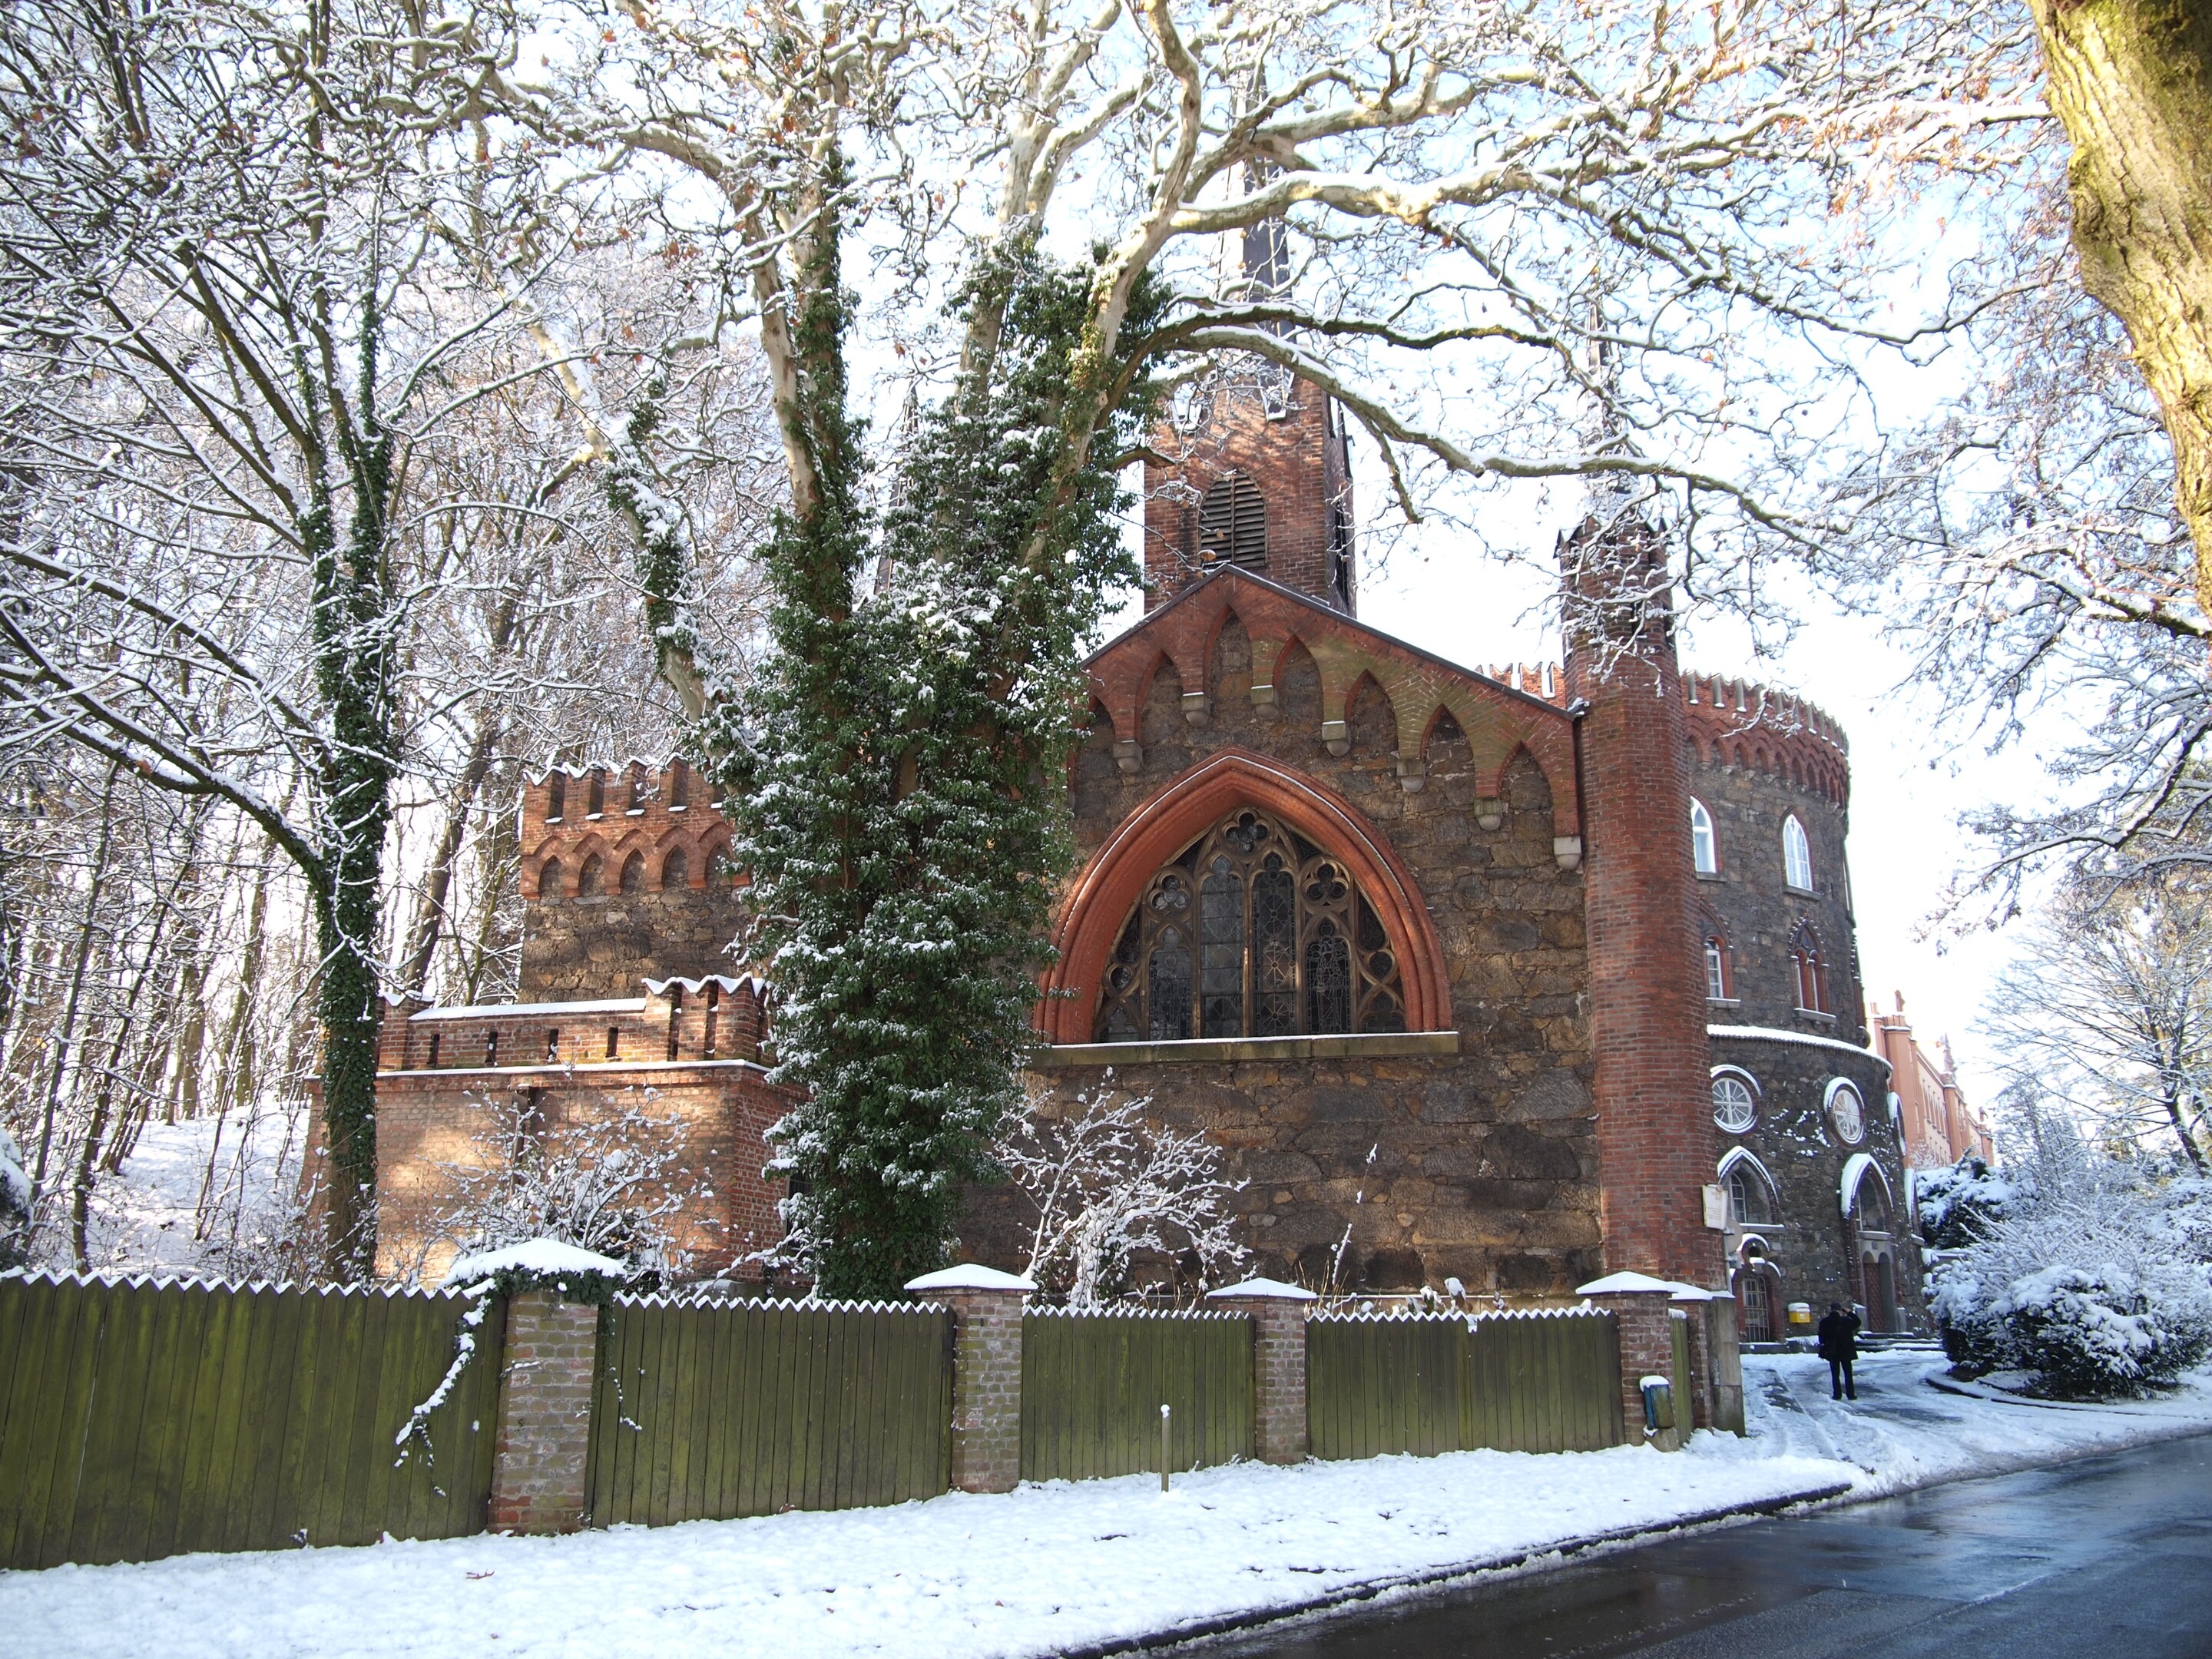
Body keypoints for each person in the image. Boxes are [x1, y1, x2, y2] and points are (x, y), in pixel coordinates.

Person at [1817, 1301, 1861, 1400]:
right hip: (1846, 1350)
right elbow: (1858, 1322)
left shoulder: (1825, 1322)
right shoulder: (1846, 1321)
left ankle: (1837, 1394)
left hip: (1833, 1351)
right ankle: (1851, 1394)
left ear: (1831, 1310)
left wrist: (1825, 1346)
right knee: (1848, 1373)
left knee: (1835, 1374)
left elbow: (1821, 1336)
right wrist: (1849, 1313)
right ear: (1840, 1310)